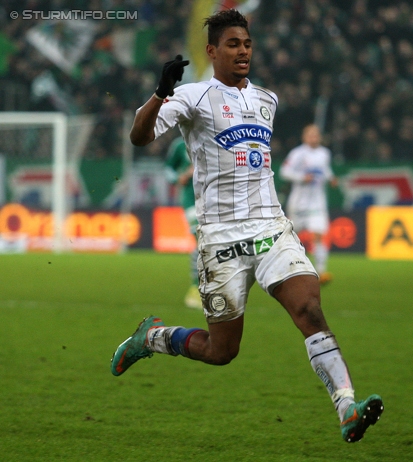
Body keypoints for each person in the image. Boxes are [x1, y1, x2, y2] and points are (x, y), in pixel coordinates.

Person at [110, 9, 383, 443]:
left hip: (270, 227)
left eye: (248, 44)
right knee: (222, 352)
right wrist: (161, 93)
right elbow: (139, 137)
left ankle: (346, 406)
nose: (243, 51)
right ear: (212, 51)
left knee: (309, 309)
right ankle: (154, 337)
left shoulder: (267, 100)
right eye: (233, 44)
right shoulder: (191, 97)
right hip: (219, 239)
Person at [279, 124, 337, 285]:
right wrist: (301, 178)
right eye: (310, 135)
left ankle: (321, 271)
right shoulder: (298, 153)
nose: (314, 137)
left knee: (318, 235)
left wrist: (331, 178)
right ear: (305, 137)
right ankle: (285, 267)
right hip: (299, 204)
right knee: (290, 236)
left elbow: (325, 170)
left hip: (318, 203)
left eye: (316, 134)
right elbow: (285, 172)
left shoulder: (325, 153)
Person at [164, 136, 200, 308]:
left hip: (214, 198)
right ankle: (196, 288)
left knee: (212, 243)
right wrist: (179, 178)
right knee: (199, 238)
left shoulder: (214, 136)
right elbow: (168, 169)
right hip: (191, 198)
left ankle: (213, 287)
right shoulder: (179, 144)